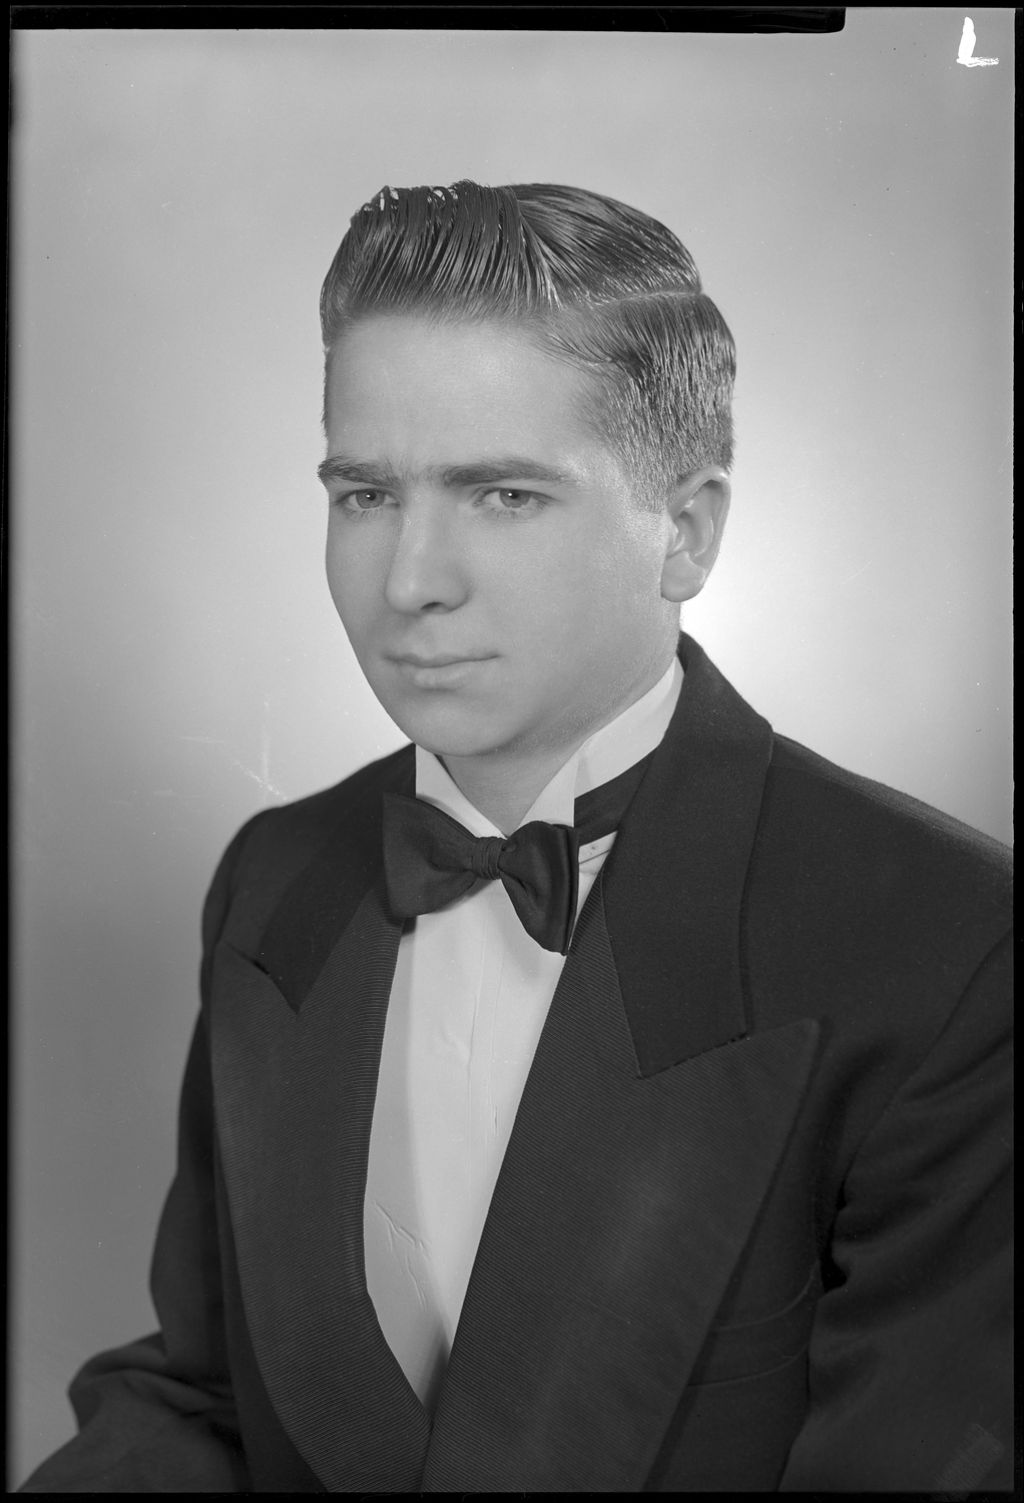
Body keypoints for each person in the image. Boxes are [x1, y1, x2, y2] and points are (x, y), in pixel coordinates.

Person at [22, 180, 1012, 1493]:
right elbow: (208, 1395)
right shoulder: (275, 879)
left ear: (687, 533)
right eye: (365, 495)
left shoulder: (952, 940)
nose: (410, 580)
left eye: (502, 495)